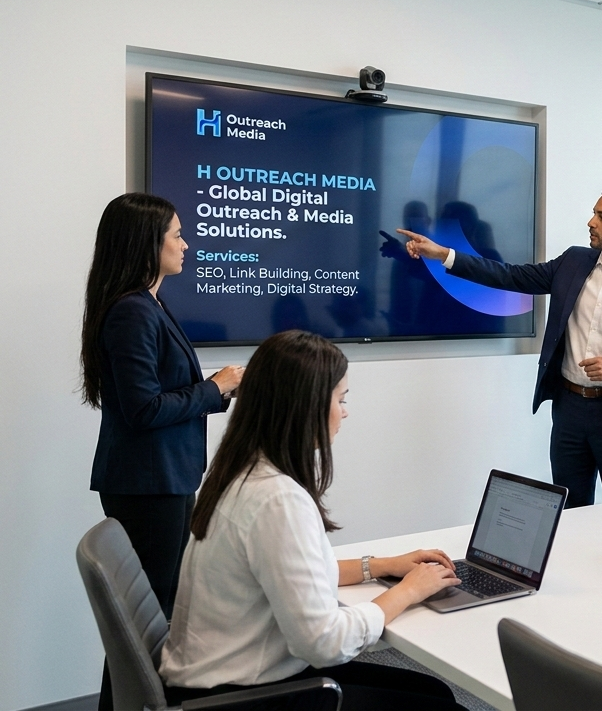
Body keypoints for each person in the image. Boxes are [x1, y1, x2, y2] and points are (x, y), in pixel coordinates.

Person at [160, 330, 466, 709]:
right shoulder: (277, 499)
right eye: (341, 399)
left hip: (218, 676)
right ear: (308, 406)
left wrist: (382, 566)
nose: (345, 412)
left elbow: (293, 576)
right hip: (236, 697)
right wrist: (409, 591)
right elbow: (325, 643)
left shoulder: (243, 471)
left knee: (435, 693)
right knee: (439, 704)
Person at [398, 187, 602, 508]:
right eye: (594, 213)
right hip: (569, 411)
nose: (591, 222)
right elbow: (511, 276)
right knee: (569, 512)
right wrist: (444, 254)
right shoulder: (574, 261)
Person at [81, 193, 244, 618]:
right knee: (152, 614)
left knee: (160, 607)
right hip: (147, 484)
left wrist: (221, 390)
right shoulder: (132, 311)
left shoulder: (149, 304)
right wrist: (213, 387)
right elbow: (144, 409)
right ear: (147, 242)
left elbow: (163, 389)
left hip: (163, 478)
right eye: (177, 235)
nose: (185, 244)